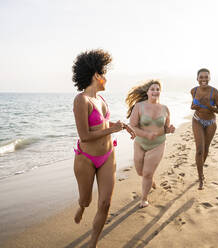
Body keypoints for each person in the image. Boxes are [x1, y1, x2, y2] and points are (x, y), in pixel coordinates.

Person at [72, 49, 135, 248]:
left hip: (108, 156)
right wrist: (111, 130)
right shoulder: (81, 100)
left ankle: (92, 244)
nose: (106, 79)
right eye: (104, 74)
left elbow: (104, 126)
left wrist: (120, 126)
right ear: (96, 75)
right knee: (87, 200)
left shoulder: (101, 100)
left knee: (105, 203)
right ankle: (81, 206)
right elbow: (84, 136)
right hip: (86, 159)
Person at [126, 80, 175, 208]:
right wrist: (146, 135)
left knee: (147, 173)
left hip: (157, 144)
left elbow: (166, 128)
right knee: (140, 171)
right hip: (140, 143)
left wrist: (169, 130)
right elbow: (133, 126)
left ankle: (144, 199)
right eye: (152, 89)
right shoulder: (139, 106)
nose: (155, 91)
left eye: (157, 89)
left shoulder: (165, 109)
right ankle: (150, 180)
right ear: (147, 92)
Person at [190, 68, 218, 190]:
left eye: (206, 77)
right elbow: (192, 105)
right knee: (199, 150)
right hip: (197, 120)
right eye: (201, 77)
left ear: (209, 78)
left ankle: (200, 168)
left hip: (210, 122)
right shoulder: (193, 91)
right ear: (197, 78)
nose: (203, 79)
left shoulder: (215, 93)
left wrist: (211, 107)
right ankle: (200, 177)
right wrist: (194, 106)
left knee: (205, 149)